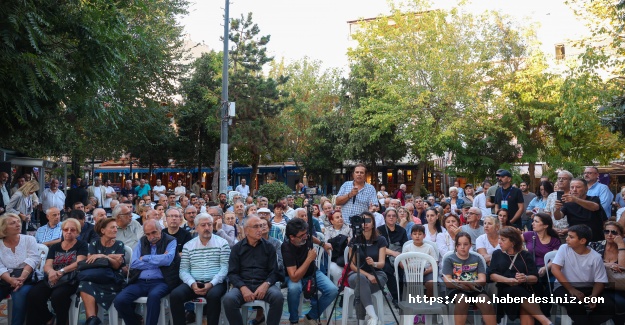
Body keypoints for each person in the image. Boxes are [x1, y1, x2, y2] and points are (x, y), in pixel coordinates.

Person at [114, 219, 180, 325]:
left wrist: (145, 257)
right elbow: (134, 263)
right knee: (120, 300)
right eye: (147, 234)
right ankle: (135, 322)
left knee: (153, 297)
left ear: (160, 229)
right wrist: (159, 261)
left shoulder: (170, 240)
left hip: (162, 281)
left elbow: (167, 260)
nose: (151, 237)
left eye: (154, 232)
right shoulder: (142, 241)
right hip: (140, 281)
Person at [222, 216, 284, 325]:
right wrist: (243, 287)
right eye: (256, 227)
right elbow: (232, 273)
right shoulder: (237, 248)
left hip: (263, 284)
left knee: (278, 297)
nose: (260, 229)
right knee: (229, 299)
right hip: (243, 284)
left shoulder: (269, 247)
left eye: (261, 226)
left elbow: (275, 272)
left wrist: (265, 285)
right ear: (246, 230)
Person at [170, 213, 230, 325]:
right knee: (175, 295)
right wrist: (193, 284)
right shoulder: (189, 245)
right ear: (196, 228)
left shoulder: (222, 243)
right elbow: (183, 270)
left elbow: (225, 268)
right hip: (194, 282)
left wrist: (211, 284)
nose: (207, 228)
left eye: (209, 224)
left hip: (215, 283)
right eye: (203, 225)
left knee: (213, 296)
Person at [26, 218, 88, 325]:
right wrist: (51, 272)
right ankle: (47, 317)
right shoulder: (55, 247)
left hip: (71, 279)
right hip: (53, 277)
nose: (68, 232)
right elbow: (48, 264)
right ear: (62, 231)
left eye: (72, 230)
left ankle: (63, 321)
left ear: (77, 232)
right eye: (66, 229)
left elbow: (79, 263)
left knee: (58, 296)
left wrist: (61, 271)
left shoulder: (81, 245)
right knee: (34, 294)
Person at [551, 224, 616, 324]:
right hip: (564, 286)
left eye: (571, 237)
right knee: (575, 304)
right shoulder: (564, 248)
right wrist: (571, 289)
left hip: (589, 288)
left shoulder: (595, 257)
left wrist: (593, 296)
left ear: (582, 241)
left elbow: (600, 281)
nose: (567, 239)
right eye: (568, 235)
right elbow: (555, 269)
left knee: (609, 306)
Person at [488, 227, 551, 325]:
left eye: (503, 239)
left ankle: (545, 322)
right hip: (506, 290)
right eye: (499, 239)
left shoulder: (525, 255)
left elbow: (534, 278)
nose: (499, 242)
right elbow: (492, 275)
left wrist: (525, 278)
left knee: (523, 302)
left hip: (527, 289)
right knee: (516, 291)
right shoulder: (497, 254)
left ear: (512, 242)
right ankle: (545, 321)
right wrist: (508, 280)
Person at [282, 218, 338, 325]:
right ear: (292, 237)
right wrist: (309, 259)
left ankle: (311, 316)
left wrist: (323, 244)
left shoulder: (305, 236)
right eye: (301, 235)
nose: (305, 237)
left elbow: (311, 237)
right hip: (295, 276)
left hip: (312, 272)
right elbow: (294, 277)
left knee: (332, 290)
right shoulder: (286, 247)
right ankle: (294, 320)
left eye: (306, 233)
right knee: (294, 289)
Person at [78, 218, 126, 325]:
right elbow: (91, 261)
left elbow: (116, 265)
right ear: (103, 231)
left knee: (84, 283)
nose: (115, 230)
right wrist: (111, 257)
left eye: (116, 227)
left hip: (113, 279)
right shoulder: (94, 243)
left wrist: (103, 256)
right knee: (84, 284)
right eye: (112, 227)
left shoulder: (119, 244)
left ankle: (91, 320)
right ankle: (92, 319)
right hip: (95, 278)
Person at [442, 232, 496, 325]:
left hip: (475, 289)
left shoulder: (477, 259)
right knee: (462, 299)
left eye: (466, 244)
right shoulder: (449, 259)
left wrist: (468, 284)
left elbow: (482, 280)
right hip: (456, 290)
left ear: (470, 245)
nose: (462, 247)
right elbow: (448, 281)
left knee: (485, 301)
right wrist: (463, 285)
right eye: (459, 244)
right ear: (456, 246)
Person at [347, 211, 387, 324]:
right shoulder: (354, 240)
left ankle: (361, 320)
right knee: (361, 279)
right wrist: (368, 275)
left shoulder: (381, 240)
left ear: (373, 223)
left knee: (360, 288)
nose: (365, 224)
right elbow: (352, 265)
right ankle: (373, 316)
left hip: (377, 273)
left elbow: (382, 264)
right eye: (363, 221)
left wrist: (373, 264)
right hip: (357, 274)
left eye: (368, 221)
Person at [0, 214, 39, 325]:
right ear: (4, 228)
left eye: (18, 221)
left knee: (19, 297)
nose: (18, 224)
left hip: (26, 278)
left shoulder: (29, 239)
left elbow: (33, 259)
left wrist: (21, 278)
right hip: (4, 279)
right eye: (13, 223)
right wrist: (10, 280)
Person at [588, 221, 625, 324]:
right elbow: (586, 263)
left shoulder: (623, 247)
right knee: (609, 304)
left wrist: (621, 244)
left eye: (614, 232)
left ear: (621, 235)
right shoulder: (595, 245)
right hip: (597, 284)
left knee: (619, 303)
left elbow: (622, 268)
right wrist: (606, 265)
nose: (609, 234)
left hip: (619, 286)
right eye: (606, 231)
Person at [554, 178, 604, 242]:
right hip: (575, 239)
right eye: (572, 187)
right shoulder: (567, 203)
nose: (574, 190)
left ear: (586, 189)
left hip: (594, 237)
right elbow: (558, 217)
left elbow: (595, 207)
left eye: (578, 187)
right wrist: (557, 209)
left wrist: (575, 200)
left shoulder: (593, 199)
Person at [522, 213, 561, 292]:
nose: (532, 223)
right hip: (531, 268)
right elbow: (514, 242)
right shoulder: (529, 235)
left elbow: (555, 258)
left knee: (551, 284)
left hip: (548, 269)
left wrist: (545, 268)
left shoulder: (555, 240)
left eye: (536, 221)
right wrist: (523, 249)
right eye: (533, 221)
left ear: (545, 226)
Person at [376, 207, 406, 308]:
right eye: (389, 216)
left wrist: (401, 258)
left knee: (402, 270)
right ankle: (396, 297)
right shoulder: (379, 230)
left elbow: (405, 246)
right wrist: (393, 253)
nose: (391, 218)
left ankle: (401, 295)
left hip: (400, 256)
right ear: (385, 218)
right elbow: (380, 247)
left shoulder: (401, 230)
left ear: (397, 218)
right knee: (387, 269)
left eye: (393, 216)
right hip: (384, 256)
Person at [402, 224, 438, 296]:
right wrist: (409, 269)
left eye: (420, 234)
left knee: (431, 284)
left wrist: (427, 271)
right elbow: (402, 262)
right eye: (415, 234)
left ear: (424, 235)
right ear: (411, 235)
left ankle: (428, 302)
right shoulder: (407, 247)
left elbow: (435, 263)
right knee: (412, 284)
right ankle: (414, 303)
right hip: (411, 272)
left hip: (426, 272)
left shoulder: (429, 247)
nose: (417, 236)